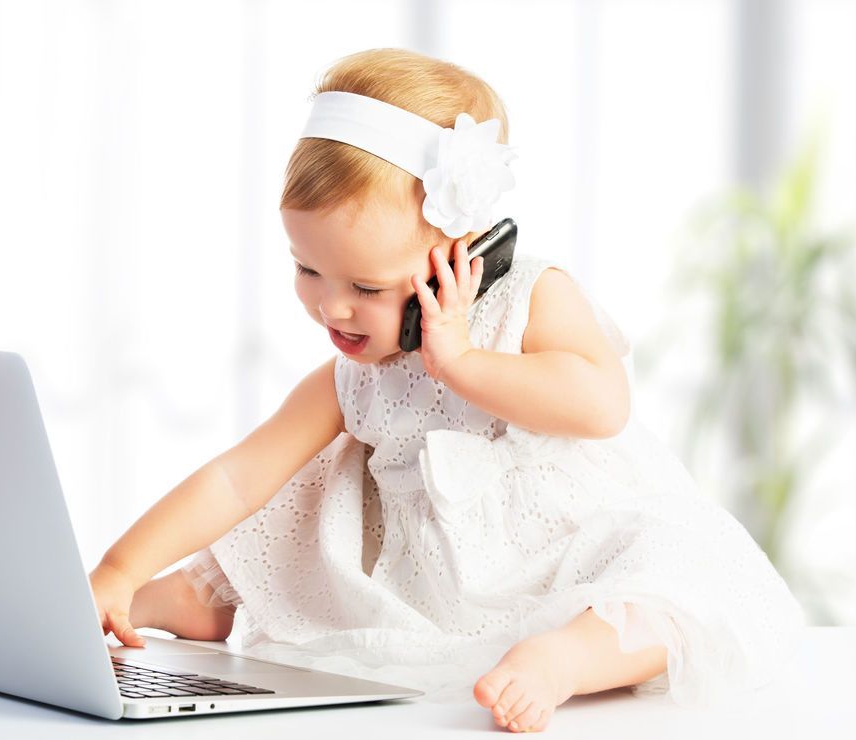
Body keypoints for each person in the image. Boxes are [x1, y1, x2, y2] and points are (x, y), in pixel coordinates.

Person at [89, 48, 805, 733]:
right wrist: (120, 565)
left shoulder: (531, 299)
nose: (331, 309)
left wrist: (460, 361)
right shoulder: (354, 378)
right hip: (425, 580)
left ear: (459, 251)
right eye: (308, 270)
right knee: (294, 521)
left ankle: (571, 656)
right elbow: (236, 479)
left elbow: (602, 405)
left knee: (687, 582)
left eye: (365, 287)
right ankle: (155, 598)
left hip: (563, 554)